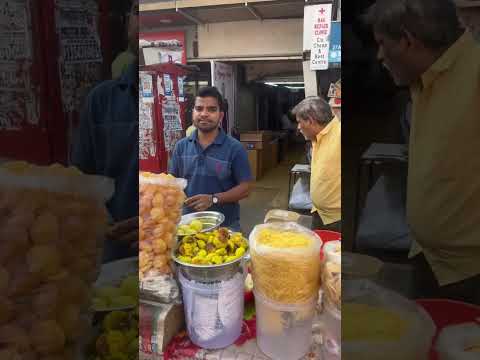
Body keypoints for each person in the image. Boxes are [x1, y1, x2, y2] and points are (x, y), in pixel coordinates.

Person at [365, 0, 480, 303]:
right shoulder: (422, 82)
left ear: (407, 40)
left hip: (469, 274)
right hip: (426, 256)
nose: (379, 56)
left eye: (381, 43)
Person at [71, 0, 139, 262]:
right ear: (127, 22)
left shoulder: (181, 105)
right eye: (136, 11)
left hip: (169, 243)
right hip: (115, 252)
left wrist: (157, 220)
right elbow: (81, 179)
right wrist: (104, 218)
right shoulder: (101, 100)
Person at [169, 86, 252, 231]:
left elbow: (246, 188)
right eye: (199, 108)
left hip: (225, 227)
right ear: (193, 113)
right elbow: (173, 182)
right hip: (188, 226)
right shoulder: (181, 147)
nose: (204, 114)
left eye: (211, 109)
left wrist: (213, 198)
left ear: (220, 115)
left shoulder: (234, 148)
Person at [292, 97, 341, 232]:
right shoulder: (317, 136)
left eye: (299, 122)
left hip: (336, 220)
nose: (298, 127)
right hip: (318, 213)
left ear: (311, 121)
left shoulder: (338, 136)